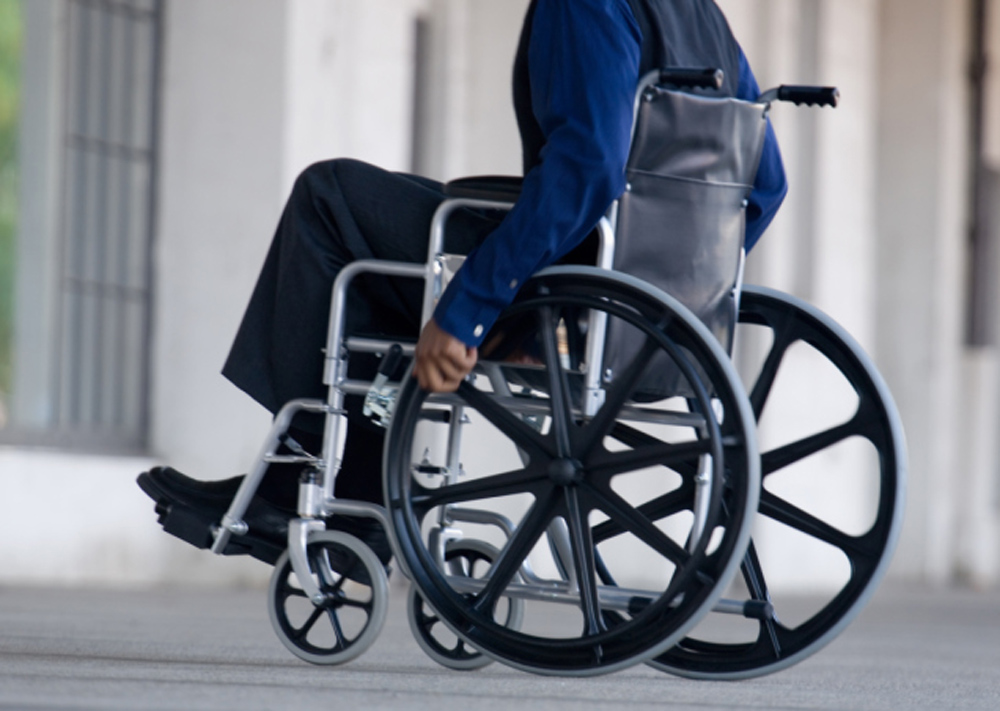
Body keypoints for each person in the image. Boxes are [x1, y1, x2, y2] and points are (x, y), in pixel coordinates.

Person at [137, 0, 787, 566]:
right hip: (625, 303)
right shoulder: (706, 23)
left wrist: (477, 306)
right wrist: (671, 293)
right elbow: (766, 185)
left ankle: (306, 476)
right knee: (398, 247)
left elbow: (587, 170)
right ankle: (353, 486)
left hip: (564, 283)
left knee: (330, 198)